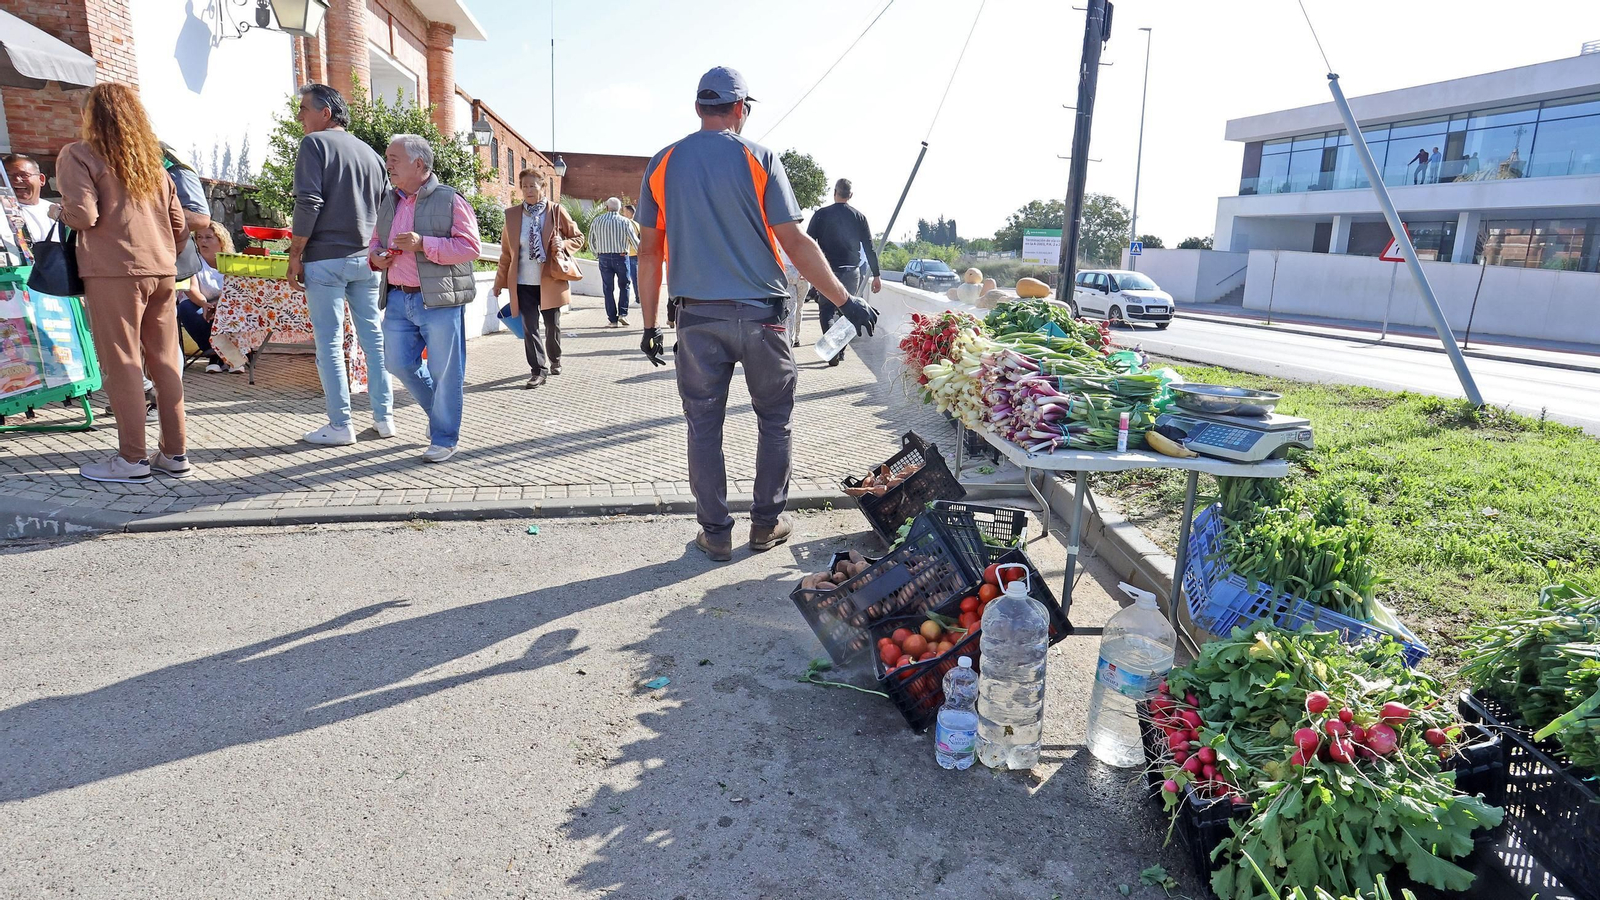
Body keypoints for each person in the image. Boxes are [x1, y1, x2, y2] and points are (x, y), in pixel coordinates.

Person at [635, 66, 878, 562]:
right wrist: (844, 299)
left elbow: (648, 251)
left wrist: (648, 324)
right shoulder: (759, 157)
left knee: (703, 425)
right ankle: (766, 526)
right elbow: (794, 241)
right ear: (741, 108)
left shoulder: (663, 163)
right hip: (764, 317)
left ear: (699, 107)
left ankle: (716, 533)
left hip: (697, 320)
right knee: (774, 421)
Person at [55, 83, 191, 484]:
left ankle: (132, 460)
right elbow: (180, 226)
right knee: (166, 361)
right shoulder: (152, 161)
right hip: (163, 270)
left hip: (114, 271)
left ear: (90, 116)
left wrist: (56, 210)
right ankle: (175, 453)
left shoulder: (77, 154)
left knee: (123, 362)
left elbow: (82, 215)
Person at [288, 83, 394, 447]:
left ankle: (340, 425)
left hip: (325, 258)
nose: (300, 115)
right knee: (373, 340)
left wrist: (294, 254)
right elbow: (386, 209)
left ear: (325, 113)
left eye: (304, 108)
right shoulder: (371, 154)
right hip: (365, 259)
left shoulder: (314, 145)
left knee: (330, 344)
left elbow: (309, 202)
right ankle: (384, 417)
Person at [369, 134, 481, 463]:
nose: (388, 164)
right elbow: (375, 243)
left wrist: (422, 244)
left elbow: (470, 248)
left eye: (394, 158)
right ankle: (440, 416)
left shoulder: (450, 199)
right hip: (398, 298)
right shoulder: (388, 200)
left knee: (446, 371)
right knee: (397, 363)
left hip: (440, 301)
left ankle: (445, 437)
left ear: (419, 164)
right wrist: (377, 257)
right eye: (387, 158)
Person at [492, 169, 583, 388]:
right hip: (523, 282)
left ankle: (555, 359)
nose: (528, 190)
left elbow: (578, 237)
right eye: (524, 186)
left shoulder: (555, 211)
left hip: (550, 279)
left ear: (542, 188)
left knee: (552, 326)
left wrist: (564, 244)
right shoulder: (512, 215)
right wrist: (499, 283)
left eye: (533, 186)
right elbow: (506, 253)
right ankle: (537, 370)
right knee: (529, 327)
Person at [805, 177, 882, 365]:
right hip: (851, 272)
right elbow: (870, 248)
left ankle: (833, 352)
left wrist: (805, 269)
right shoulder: (859, 217)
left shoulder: (821, 214)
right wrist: (877, 275)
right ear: (851, 195)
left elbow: (807, 243)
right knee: (848, 310)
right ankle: (840, 350)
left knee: (826, 310)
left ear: (834, 192)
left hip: (827, 271)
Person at [179, 222, 245, 374]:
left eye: (208, 237)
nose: (203, 241)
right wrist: (204, 304)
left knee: (238, 309)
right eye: (199, 237)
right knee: (186, 308)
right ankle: (215, 354)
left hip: (227, 305)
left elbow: (238, 290)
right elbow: (191, 288)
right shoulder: (192, 261)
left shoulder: (233, 261)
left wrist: (220, 305)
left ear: (221, 241)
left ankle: (232, 355)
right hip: (201, 304)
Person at [590, 196, 638, 327]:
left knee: (608, 288)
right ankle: (623, 314)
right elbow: (634, 240)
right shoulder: (625, 221)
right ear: (619, 208)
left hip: (604, 257)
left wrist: (597, 254)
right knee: (624, 285)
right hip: (621, 256)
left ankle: (612, 320)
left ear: (606, 207)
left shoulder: (597, 221)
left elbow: (591, 240)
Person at [3, 154, 56, 245]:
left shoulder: (56, 211)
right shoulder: (2, 211)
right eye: (8, 176)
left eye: (24, 175)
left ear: (41, 179)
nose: (17, 180)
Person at [621, 203, 641, 293]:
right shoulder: (637, 224)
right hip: (636, 253)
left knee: (634, 278)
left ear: (629, 212)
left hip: (631, 253)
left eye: (624, 211)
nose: (622, 213)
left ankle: (638, 299)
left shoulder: (628, 223)